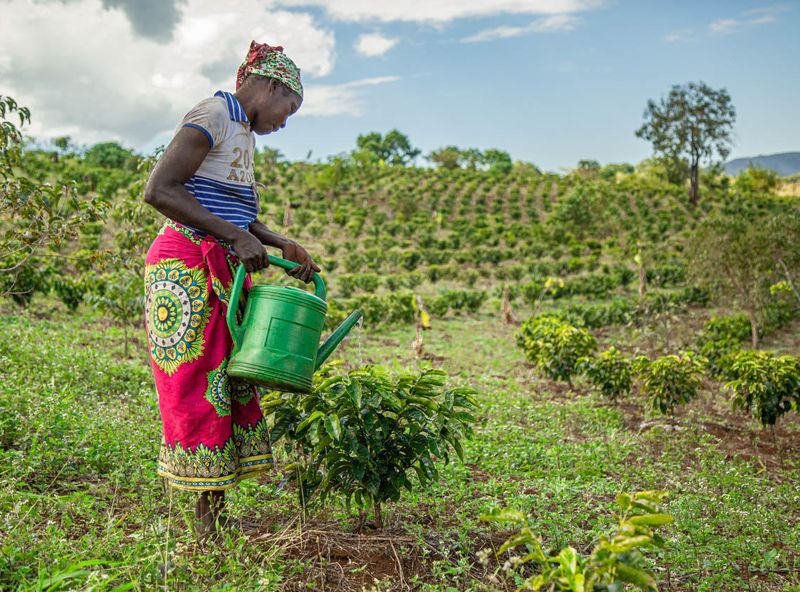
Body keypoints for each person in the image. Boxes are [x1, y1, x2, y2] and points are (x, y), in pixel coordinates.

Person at [142, 41, 320, 539]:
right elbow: (159, 189)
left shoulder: (242, 131)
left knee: (224, 381)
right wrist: (235, 237)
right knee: (202, 387)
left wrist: (277, 240)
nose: (285, 122)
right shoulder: (214, 113)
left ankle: (213, 515)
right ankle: (206, 528)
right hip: (184, 265)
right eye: (289, 109)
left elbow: (236, 212)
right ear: (270, 87)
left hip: (215, 264)